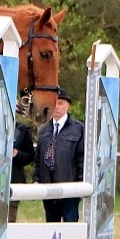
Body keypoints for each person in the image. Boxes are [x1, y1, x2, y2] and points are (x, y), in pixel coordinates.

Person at [33, 88, 85, 223]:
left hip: (70, 188)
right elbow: (38, 160)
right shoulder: (44, 131)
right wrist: (37, 180)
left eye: (60, 103)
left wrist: (80, 182)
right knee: (51, 228)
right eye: (54, 103)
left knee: (69, 226)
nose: (57, 107)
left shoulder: (78, 129)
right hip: (48, 189)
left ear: (68, 105)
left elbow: (81, 157)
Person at [9, 116, 35, 222]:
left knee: (9, 222)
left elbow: (30, 156)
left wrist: (18, 155)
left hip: (13, 181)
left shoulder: (23, 130)